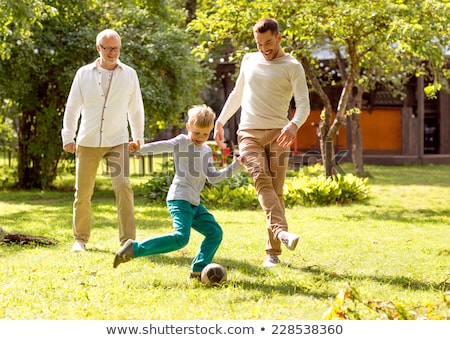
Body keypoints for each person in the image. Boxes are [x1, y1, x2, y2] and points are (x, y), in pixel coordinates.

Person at [214, 18, 311, 267]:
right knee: (261, 180)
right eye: (259, 44)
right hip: (248, 133)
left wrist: (293, 125)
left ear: (279, 37)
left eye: (268, 42)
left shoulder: (292, 66)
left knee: (275, 192)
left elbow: (304, 105)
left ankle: (273, 253)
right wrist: (220, 121)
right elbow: (237, 94)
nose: (264, 48)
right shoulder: (249, 60)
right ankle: (281, 233)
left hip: (279, 134)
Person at [113, 104, 244, 278]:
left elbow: (212, 176)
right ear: (189, 127)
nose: (200, 137)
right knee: (181, 238)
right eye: (197, 133)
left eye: (205, 134)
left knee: (215, 233)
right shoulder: (182, 142)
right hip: (179, 199)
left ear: (211, 131)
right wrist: (139, 149)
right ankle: (134, 249)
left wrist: (236, 166)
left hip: (194, 203)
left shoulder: (205, 150)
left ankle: (198, 269)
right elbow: (162, 146)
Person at [61, 29, 145, 252]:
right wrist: (68, 136)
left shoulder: (129, 74)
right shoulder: (83, 73)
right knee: (83, 192)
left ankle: (128, 241)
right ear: (99, 48)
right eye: (108, 48)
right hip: (88, 140)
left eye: (116, 48)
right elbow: (72, 107)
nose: (113, 52)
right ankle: (80, 240)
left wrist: (138, 137)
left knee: (123, 186)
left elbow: (135, 108)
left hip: (117, 139)